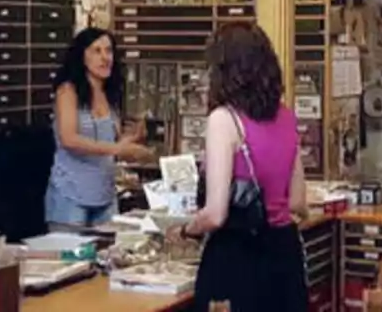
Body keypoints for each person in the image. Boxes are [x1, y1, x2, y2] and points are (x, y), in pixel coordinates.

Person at [176, 24, 308, 312]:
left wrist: (186, 230)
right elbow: (298, 201)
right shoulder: (287, 117)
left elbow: (215, 214)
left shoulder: (224, 120)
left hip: (238, 258)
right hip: (285, 255)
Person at [45, 28, 152, 230]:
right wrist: (117, 149)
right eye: (97, 51)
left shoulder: (110, 94)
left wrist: (133, 142)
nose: (105, 58)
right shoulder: (68, 91)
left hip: (105, 195)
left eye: (109, 51)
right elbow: (69, 139)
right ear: (82, 56)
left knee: (108, 257)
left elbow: (112, 146)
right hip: (71, 196)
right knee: (72, 259)